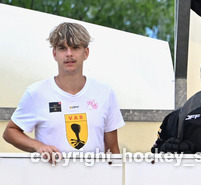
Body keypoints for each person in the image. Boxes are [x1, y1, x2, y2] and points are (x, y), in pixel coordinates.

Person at [4, 22, 123, 161]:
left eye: (75, 47)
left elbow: (113, 149)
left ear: (86, 53)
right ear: (54, 53)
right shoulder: (36, 92)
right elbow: (10, 132)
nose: (69, 54)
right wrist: (37, 146)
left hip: (95, 180)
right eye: (62, 48)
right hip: (50, 180)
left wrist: (117, 178)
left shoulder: (104, 92)